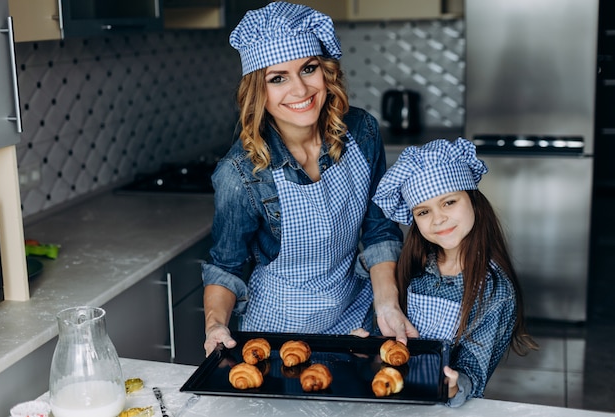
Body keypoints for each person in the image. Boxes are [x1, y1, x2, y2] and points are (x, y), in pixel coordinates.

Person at [201, 1, 417, 356]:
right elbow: (228, 266)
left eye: (308, 68)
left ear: (326, 71)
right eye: (278, 78)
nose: (300, 90)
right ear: (259, 91)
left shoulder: (361, 132)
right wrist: (216, 325)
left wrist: (388, 304)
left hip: (356, 322)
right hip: (275, 334)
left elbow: (378, 229)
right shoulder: (239, 172)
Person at [371, 138, 539, 407]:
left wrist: (453, 384)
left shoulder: (495, 290)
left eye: (448, 202)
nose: (438, 219)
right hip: (394, 398)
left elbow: (473, 369)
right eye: (423, 211)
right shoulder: (410, 268)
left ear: (472, 199)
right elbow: (388, 336)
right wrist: (366, 347)